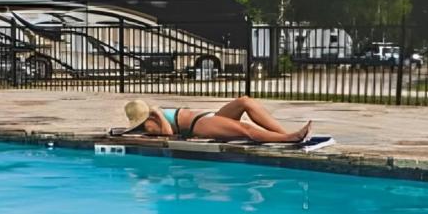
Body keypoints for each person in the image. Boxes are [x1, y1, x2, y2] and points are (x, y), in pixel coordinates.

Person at [122, 97, 311, 143]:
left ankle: (284, 133)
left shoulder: (152, 115)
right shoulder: (149, 122)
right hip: (200, 125)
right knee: (244, 129)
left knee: (245, 101)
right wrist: (159, 114)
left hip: (208, 116)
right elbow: (168, 134)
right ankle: (289, 138)